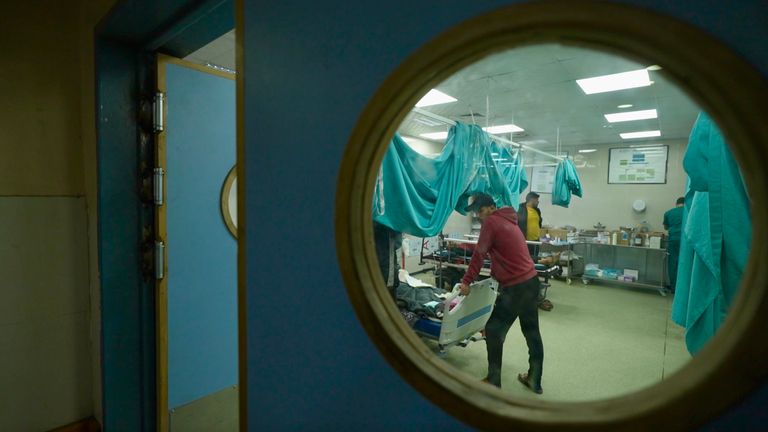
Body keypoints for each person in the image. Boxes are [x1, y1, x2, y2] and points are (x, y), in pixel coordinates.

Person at [459, 193, 544, 393]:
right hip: (531, 282)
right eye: (476, 212)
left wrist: (466, 281)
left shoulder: (492, 222)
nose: (479, 216)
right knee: (532, 332)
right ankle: (534, 379)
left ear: (490, 207)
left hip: (517, 287)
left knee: (494, 330)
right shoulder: (509, 220)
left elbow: (479, 254)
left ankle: (493, 380)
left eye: (480, 211)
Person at [518, 192, 553, 311]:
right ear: (531, 199)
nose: (538, 202)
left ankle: (532, 285)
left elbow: (538, 224)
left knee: (533, 264)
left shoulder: (537, 211)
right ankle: (525, 287)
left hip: (535, 242)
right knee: (525, 264)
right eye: (537, 200)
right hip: (524, 242)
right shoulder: (520, 209)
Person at [663, 197, 685, 293]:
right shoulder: (690, 212)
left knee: (672, 264)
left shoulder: (668, 213)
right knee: (685, 263)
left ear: (676, 204)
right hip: (686, 242)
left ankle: (674, 288)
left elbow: (666, 227)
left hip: (673, 241)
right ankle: (684, 289)